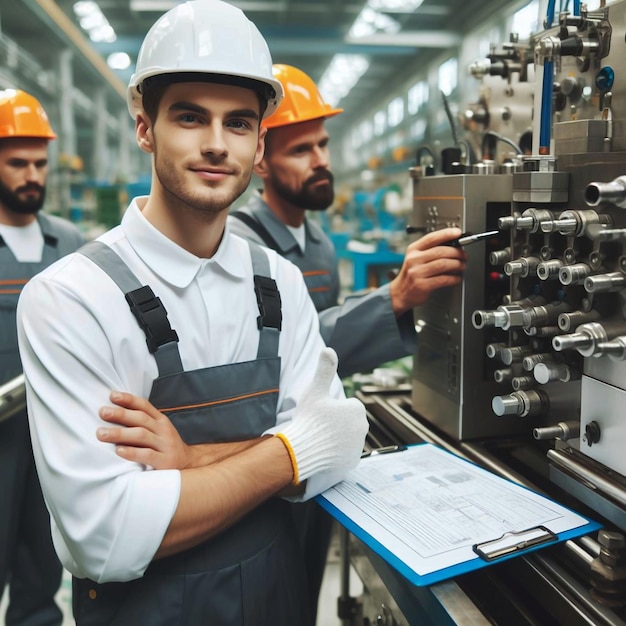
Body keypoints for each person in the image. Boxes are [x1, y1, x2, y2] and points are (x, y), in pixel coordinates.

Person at [16, 2, 368, 625]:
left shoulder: (279, 285)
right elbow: (106, 537)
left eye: (238, 123)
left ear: (260, 143)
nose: (214, 144)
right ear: (145, 126)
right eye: (188, 116)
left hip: (279, 602)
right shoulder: (71, 298)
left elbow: (341, 445)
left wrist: (192, 459)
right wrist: (291, 451)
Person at [228, 63, 467, 621]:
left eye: (323, 145)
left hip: (315, 453)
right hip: (259, 461)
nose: (322, 162)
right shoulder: (239, 246)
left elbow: (322, 354)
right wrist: (393, 298)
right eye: (301, 150)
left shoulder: (319, 244)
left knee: (305, 590)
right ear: (260, 159)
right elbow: (292, 359)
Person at [0, 88, 85, 625]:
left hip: (51, 438)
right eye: (16, 163)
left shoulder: (70, 242)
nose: (32, 174)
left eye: (39, 163)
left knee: (43, 570)